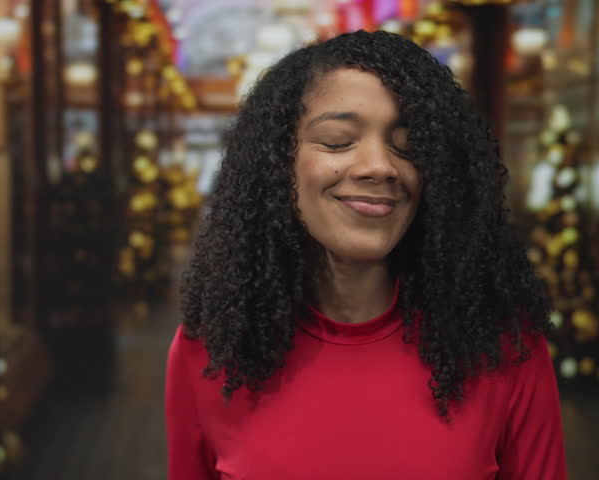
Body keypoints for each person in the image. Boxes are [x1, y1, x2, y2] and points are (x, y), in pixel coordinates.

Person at [166, 30, 567, 479]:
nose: (379, 166)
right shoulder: (211, 349)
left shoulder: (502, 347)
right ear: (280, 163)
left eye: (408, 145)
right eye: (338, 141)